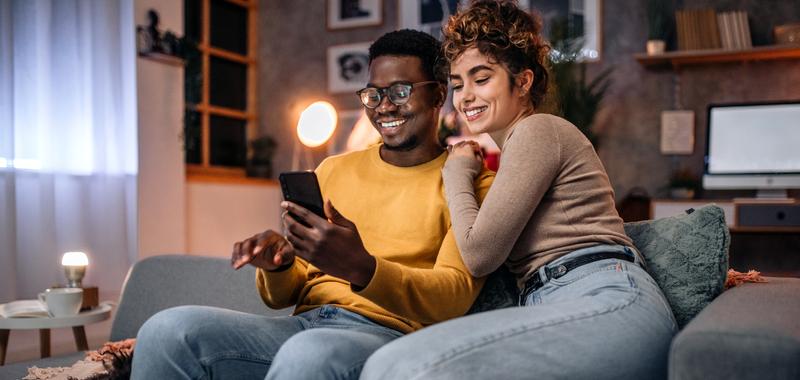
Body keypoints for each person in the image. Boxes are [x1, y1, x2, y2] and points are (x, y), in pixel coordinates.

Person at [130, 29, 493, 380]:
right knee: (167, 330)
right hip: (304, 325)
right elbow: (284, 295)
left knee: (309, 352)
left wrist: (363, 268)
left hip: (390, 337)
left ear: (437, 95)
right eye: (373, 94)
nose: (384, 107)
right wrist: (280, 265)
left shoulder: (470, 183)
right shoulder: (334, 169)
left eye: (400, 91)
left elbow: (454, 295)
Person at [360, 1, 677, 379]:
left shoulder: (538, 130)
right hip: (561, 302)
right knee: (395, 361)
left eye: (481, 79)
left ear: (523, 81)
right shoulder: (513, 153)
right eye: (458, 85)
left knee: (400, 364)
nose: (465, 97)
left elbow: (479, 254)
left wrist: (456, 171)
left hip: (608, 297)